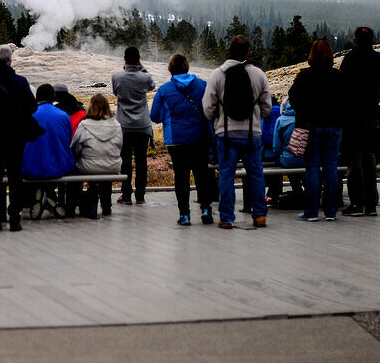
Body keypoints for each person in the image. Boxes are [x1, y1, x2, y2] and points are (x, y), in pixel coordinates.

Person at [202, 35, 272, 228]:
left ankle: (226, 218)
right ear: (248, 52)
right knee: (256, 174)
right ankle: (259, 215)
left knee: (226, 174)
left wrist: (217, 120)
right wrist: (257, 119)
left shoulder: (218, 74)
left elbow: (208, 107)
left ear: (229, 50)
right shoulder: (258, 74)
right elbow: (267, 106)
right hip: (252, 133)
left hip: (226, 132)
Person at [0, 45, 38, 233]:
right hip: (16, 135)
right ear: (11, 61)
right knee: (15, 176)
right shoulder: (20, 82)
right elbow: (33, 108)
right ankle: (15, 219)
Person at [150, 53, 216, 225]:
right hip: (200, 137)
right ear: (187, 67)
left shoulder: (164, 90)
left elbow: (155, 116)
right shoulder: (203, 85)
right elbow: (212, 110)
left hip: (176, 140)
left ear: (170, 69)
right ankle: (206, 209)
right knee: (202, 174)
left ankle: (185, 215)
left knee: (181, 177)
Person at [288, 38, 345, 222]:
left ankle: (311, 212)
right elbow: (346, 101)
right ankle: (330, 212)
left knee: (312, 168)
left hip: (310, 126)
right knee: (330, 168)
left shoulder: (304, 76)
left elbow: (293, 98)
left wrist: (304, 113)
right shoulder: (338, 76)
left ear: (312, 54)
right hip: (334, 126)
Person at [339, 26, 380, 217]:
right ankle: (371, 203)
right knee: (369, 157)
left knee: (354, 159)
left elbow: (342, 85)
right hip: (371, 113)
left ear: (355, 40)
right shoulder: (379, 59)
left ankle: (356, 202)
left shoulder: (350, 59)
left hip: (352, 115)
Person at [23, 84, 76, 219]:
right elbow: (68, 139)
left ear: (36, 97)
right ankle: (49, 196)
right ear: (53, 97)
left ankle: (43, 196)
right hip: (59, 166)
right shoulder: (63, 115)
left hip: (31, 167)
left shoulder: (29, 114)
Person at [112, 46, 156, 205]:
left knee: (125, 161)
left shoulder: (117, 77)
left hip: (123, 126)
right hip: (142, 126)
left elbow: (116, 93)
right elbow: (152, 85)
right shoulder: (144, 77)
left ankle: (126, 194)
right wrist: (141, 67)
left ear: (124, 59)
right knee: (141, 161)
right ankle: (140, 195)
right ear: (138, 59)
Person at [68, 93, 122, 219]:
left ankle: (73, 203)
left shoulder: (84, 125)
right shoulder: (116, 125)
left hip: (88, 166)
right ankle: (106, 205)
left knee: (76, 169)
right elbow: (119, 145)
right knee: (104, 171)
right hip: (111, 166)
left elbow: (75, 147)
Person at [270, 100, 305, 209]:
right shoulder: (304, 119)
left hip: (287, 158)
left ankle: (296, 191)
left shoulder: (281, 120)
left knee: (287, 164)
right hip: (305, 158)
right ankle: (305, 193)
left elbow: (276, 146)